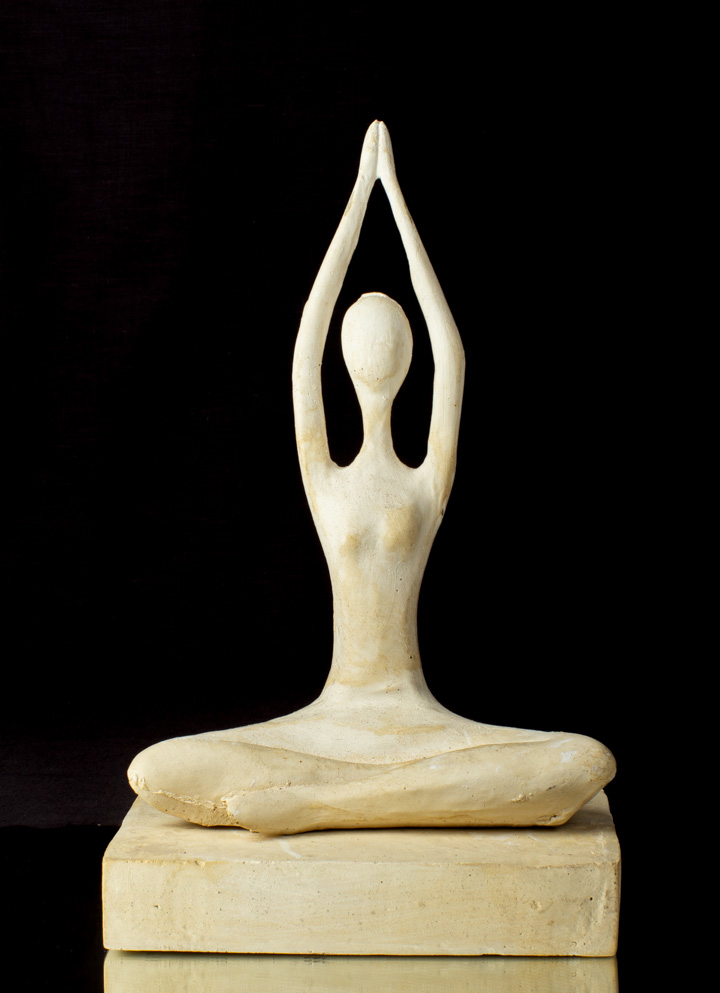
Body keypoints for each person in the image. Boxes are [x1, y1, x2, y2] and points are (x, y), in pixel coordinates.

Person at [129, 122, 615, 832]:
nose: (374, 349)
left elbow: (452, 351)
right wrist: (361, 195)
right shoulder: (323, 472)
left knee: (586, 760)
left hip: (418, 723)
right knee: (156, 767)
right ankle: (408, 800)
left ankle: (321, 807)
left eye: (390, 337)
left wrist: (397, 203)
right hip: (330, 725)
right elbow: (307, 338)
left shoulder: (426, 479)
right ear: (347, 359)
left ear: (409, 356)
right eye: (360, 337)